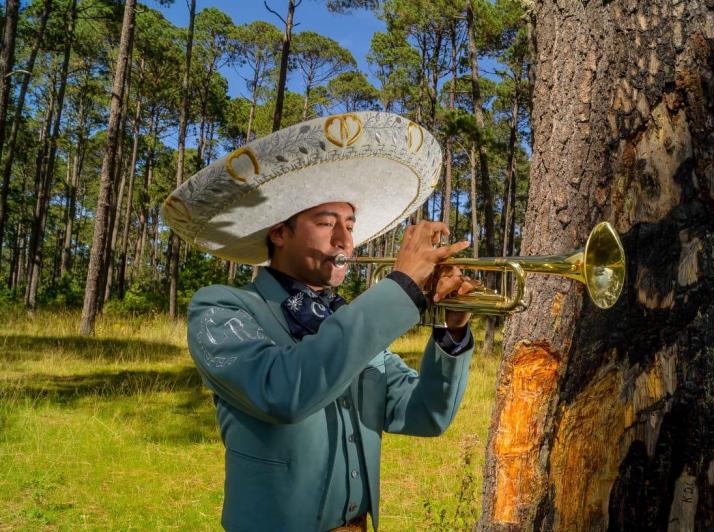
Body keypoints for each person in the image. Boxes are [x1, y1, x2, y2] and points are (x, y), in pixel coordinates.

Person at [164, 112, 478, 531]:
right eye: (326, 223)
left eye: (349, 225)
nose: (344, 241)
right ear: (280, 232)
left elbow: (424, 415)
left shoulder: (348, 319)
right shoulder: (222, 308)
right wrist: (401, 286)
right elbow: (283, 392)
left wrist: (451, 331)